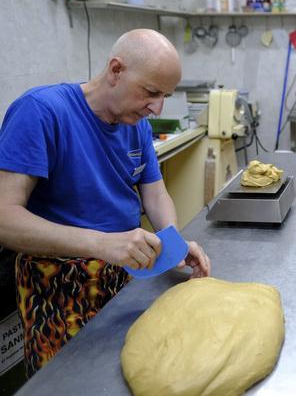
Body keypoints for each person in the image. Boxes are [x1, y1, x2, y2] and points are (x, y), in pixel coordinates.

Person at [0, 29, 211, 377]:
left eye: (165, 96)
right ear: (116, 70)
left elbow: (154, 192)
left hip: (123, 274)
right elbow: (5, 219)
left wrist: (173, 242)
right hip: (57, 285)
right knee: (70, 382)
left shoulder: (136, 122)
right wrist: (102, 243)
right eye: (151, 92)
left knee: (122, 372)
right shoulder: (41, 113)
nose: (157, 107)